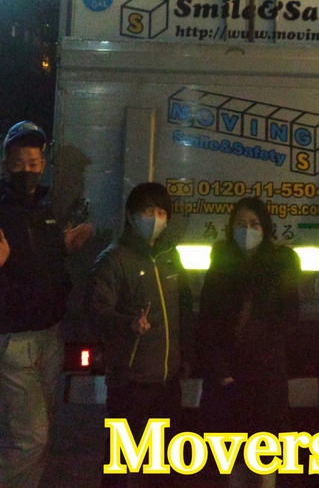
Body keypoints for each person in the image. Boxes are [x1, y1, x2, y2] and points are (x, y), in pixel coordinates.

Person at [0, 120, 92, 488]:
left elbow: (45, 265)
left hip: (49, 335)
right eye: (19, 162)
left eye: (34, 163)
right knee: (31, 438)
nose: (27, 170)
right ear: (6, 164)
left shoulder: (47, 208)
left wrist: (65, 249)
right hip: (14, 338)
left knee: (38, 434)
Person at [85, 182, 194, 488]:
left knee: (163, 469)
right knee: (121, 468)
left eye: (161, 212)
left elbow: (184, 311)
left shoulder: (171, 257)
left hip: (167, 381)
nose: (154, 218)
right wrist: (127, 324)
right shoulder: (113, 259)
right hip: (130, 383)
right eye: (147, 211)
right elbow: (95, 313)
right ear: (131, 216)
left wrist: (186, 356)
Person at [198, 197, 301, 488]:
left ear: (265, 228)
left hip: (265, 376)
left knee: (265, 457)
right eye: (241, 224)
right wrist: (220, 368)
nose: (247, 230)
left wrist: (260, 354)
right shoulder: (220, 263)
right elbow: (207, 320)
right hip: (227, 378)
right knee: (233, 458)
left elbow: (288, 317)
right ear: (231, 228)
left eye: (255, 224)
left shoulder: (282, 263)